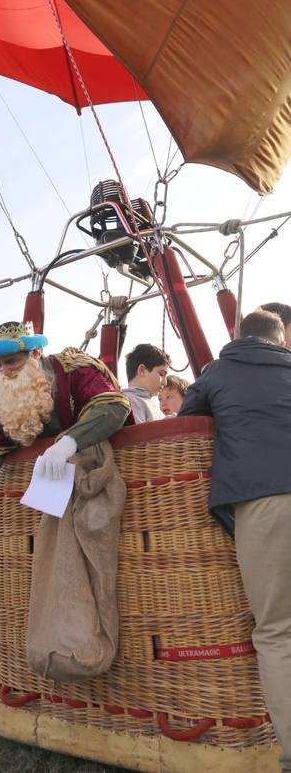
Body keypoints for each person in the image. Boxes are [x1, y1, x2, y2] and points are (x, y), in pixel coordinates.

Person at [178, 309, 291, 772]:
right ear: (279, 339)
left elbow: (184, 425)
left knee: (277, 631)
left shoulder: (216, 374)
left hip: (264, 502)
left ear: (239, 337)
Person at [0, 322, 130, 528]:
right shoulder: (4, 401)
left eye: (11, 361)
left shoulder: (73, 368)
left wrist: (68, 443)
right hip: (49, 503)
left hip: (107, 481)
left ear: (36, 353)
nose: (5, 372)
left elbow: (113, 406)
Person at [123, 343, 170, 423]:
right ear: (142, 370)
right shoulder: (131, 401)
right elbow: (137, 434)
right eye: (161, 374)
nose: (165, 383)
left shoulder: (146, 403)